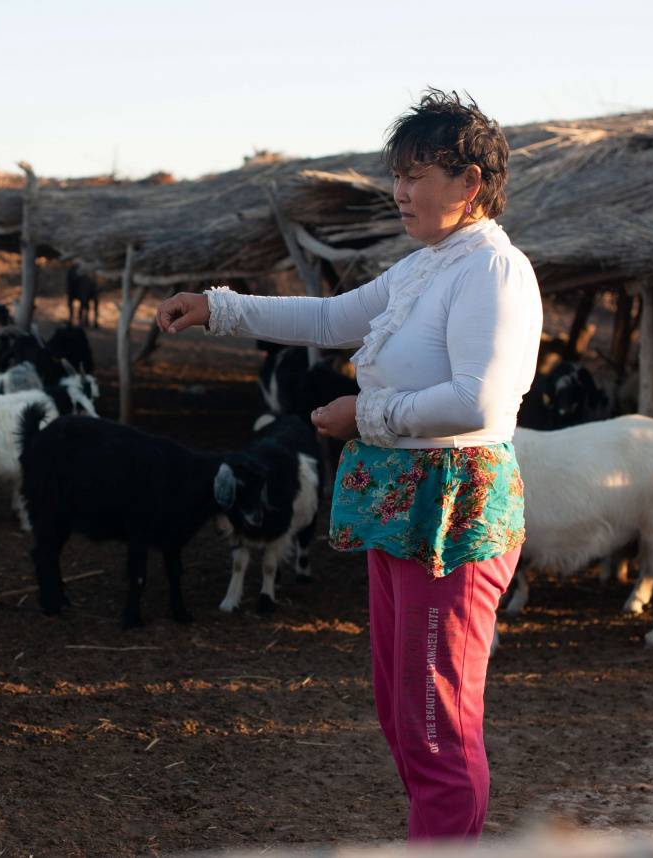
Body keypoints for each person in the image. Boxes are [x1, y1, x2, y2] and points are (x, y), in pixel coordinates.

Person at [156, 89, 542, 843]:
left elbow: (478, 400)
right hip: (404, 501)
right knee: (402, 709)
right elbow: (331, 320)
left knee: (437, 720)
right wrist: (219, 307)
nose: (401, 191)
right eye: (398, 174)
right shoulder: (427, 266)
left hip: (451, 508)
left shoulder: (492, 271)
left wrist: (360, 417)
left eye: (420, 174)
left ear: (470, 183)